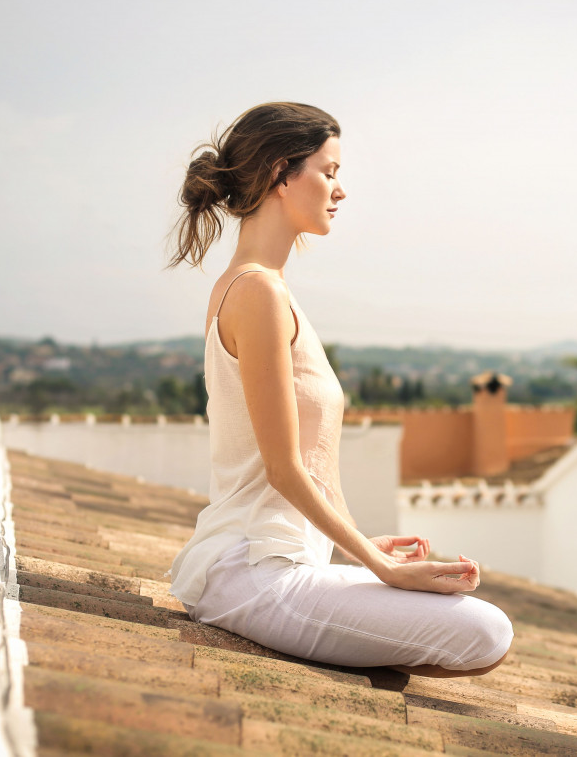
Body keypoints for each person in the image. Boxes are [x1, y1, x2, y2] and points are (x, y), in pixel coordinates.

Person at [163, 102, 514, 677]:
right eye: (329, 171)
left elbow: (311, 464)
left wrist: (358, 548)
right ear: (282, 174)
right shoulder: (257, 293)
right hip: (253, 569)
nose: (340, 190)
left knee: (467, 615)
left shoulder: (263, 289)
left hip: (279, 563)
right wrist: (378, 565)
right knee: (485, 631)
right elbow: (282, 469)